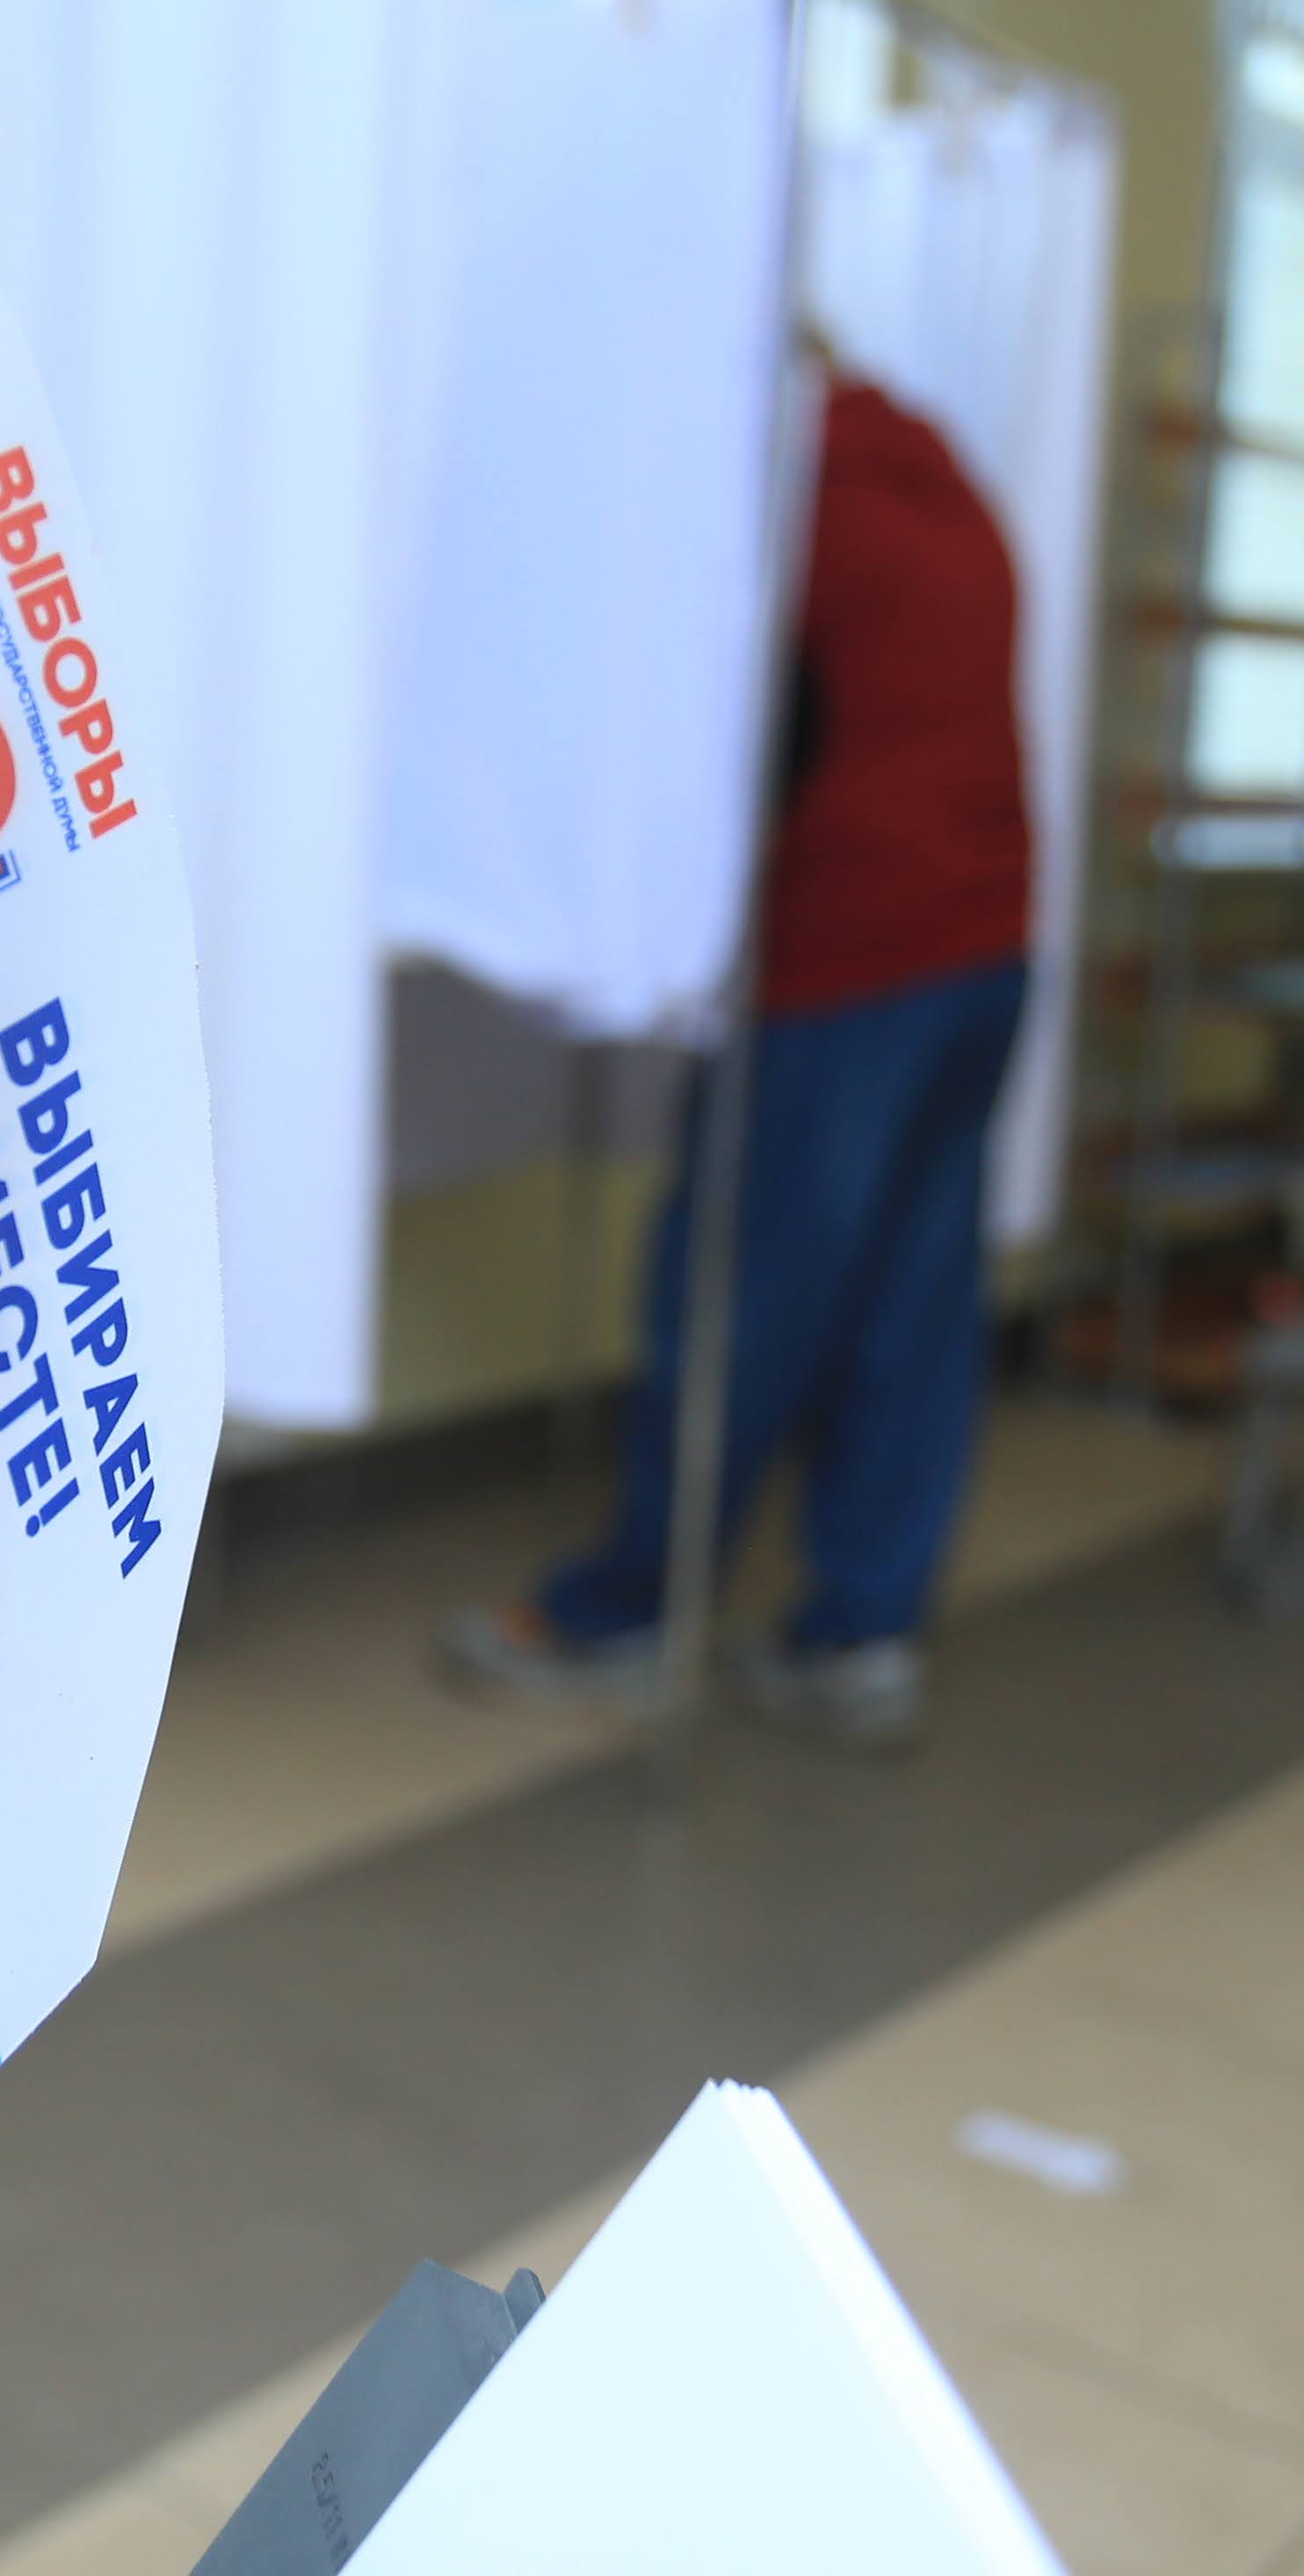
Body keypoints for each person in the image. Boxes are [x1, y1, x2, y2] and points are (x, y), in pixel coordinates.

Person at [438, 366, 1034, 1750]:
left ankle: (628, 1607)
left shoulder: (783, 508)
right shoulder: (942, 484)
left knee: (731, 1291)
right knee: (911, 1301)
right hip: (986, 942)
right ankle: (861, 1632)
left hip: (846, 956)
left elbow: (737, 745)